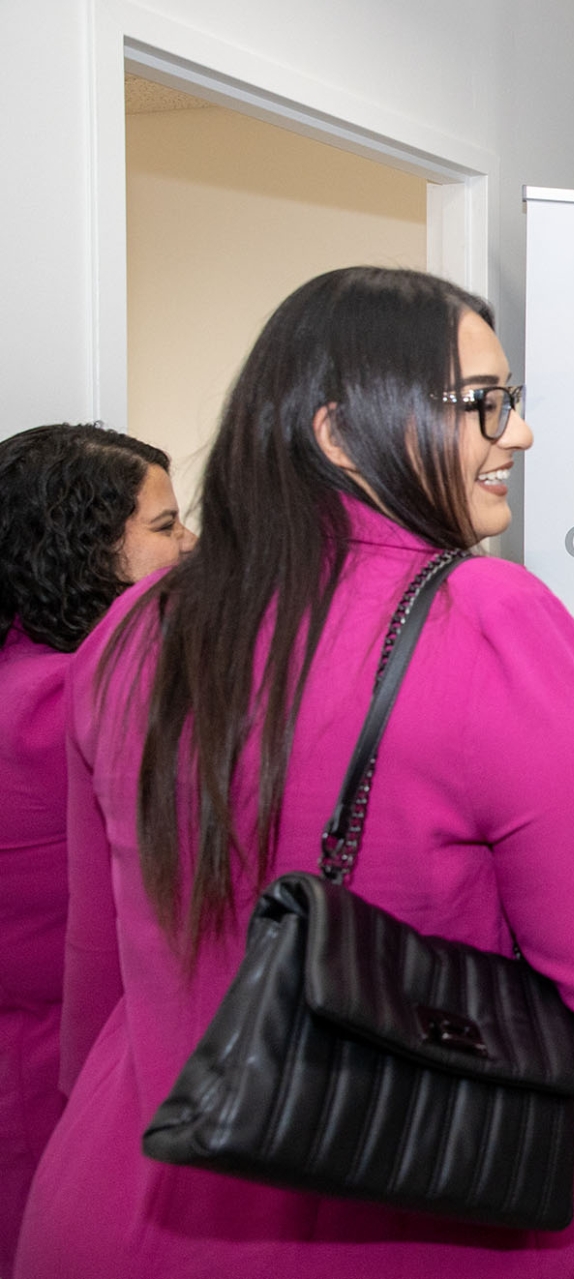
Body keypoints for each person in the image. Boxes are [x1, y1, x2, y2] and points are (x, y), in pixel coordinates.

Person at [15, 267, 574, 1279]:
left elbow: (99, 952)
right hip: (417, 1193)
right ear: (338, 433)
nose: (520, 435)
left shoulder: (129, 630)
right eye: (484, 404)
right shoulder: (491, 620)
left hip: (134, 1182)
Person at [0, 423, 192, 1274]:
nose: (190, 546)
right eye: (166, 525)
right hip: (53, 1068)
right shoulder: (70, 697)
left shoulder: (24, 665)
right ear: (86, 544)